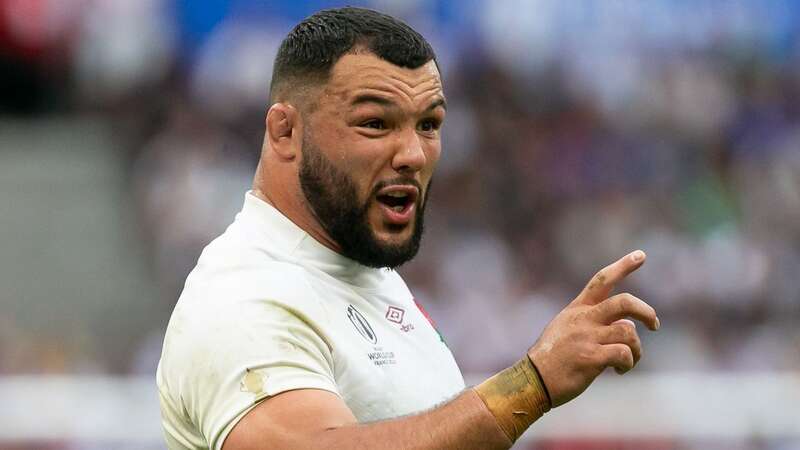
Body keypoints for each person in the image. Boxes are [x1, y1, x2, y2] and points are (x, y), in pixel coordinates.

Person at [156, 7, 660, 450]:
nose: (413, 154)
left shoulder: (362, 272)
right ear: (285, 131)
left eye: (429, 124)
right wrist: (532, 385)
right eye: (376, 123)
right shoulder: (244, 294)